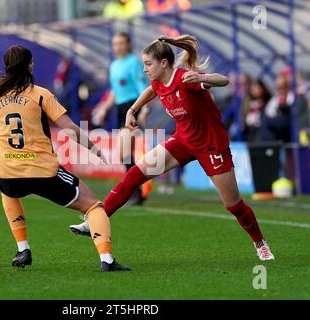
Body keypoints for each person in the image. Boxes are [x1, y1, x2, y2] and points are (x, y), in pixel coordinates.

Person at [70, 35, 275, 261]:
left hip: (211, 146)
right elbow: (151, 90)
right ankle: (95, 221)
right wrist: (133, 110)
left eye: (148, 64)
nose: (145, 69)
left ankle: (260, 243)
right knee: (134, 175)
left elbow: (223, 80)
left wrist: (203, 78)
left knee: (233, 204)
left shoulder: (186, 80)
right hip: (183, 141)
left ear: (164, 63)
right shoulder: (158, 81)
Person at [0, 45, 130, 272]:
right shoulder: (40, 95)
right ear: (30, 65)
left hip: (9, 173)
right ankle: (107, 260)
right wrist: (94, 149)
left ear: (6, 67)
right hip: (43, 172)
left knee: (6, 188)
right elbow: (69, 128)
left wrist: (7, 156)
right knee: (94, 207)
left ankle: (23, 248)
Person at [91, 32, 151, 205]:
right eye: (115, 43)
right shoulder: (114, 65)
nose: (118, 46)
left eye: (121, 43)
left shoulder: (133, 63)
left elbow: (143, 88)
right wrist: (104, 108)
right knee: (124, 155)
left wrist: (144, 110)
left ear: (128, 44)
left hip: (133, 107)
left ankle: (136, 192)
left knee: (125, 153)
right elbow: (115, 91)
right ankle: (137, 190)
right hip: (120, 109)